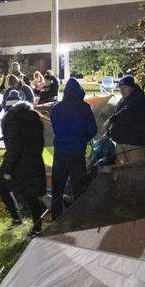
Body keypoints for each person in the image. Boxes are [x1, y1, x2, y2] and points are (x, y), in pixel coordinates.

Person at [49, 78, 97, 219]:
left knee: (57, 188)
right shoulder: (84, 108)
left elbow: (55, 126)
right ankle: (78, 218)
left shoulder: (57, 108)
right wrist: (82, 139)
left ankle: (56, 218)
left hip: (60, 153)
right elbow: (93, 130)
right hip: (77, 153)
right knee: (78, 188)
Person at [0, 101, 46, 235]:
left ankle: (16, 219)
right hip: (35, 161)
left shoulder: (12, 122)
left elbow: (14, 148)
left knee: (2, 187)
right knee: (32, 196)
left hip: (19, 165)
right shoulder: (34, 118)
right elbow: (41, 142)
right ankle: (37, 228)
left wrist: (7, 170)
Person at [106, 75, 145, 165]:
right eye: (120, 88)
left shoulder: (140, 99)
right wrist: (111, 131)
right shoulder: (122, 101)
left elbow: (126, 115)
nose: (122, 91)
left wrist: (111, 120)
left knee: (135, 172)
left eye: (125, 88)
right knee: (121, 172)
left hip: (135, 144)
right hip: (121, 142)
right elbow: (118, 116)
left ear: (132, 87)